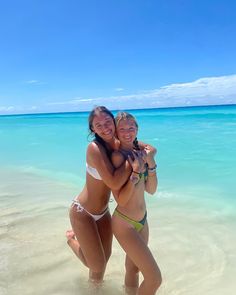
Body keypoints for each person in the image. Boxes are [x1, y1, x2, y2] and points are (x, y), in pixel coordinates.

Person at [66, 106, 132, 283]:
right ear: (92, 129)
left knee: (104, 259)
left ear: (114, 122)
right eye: (98, 125)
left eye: (107, 122)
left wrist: (147, 153)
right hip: (83, 213)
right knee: (97, 266)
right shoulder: (94, 148)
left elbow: (146, 147)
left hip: (103, 212)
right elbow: (114, 182)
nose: (105, 127)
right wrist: (130, 159)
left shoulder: (120, 144)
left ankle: (95, 289)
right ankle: (71, 240)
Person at [111, 112, 162, 295]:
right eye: (122, 129)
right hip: (124, 222)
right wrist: (135, 173)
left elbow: (151, 190)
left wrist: (151, 162)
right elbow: (121, 199)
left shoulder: (140, 153)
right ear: (116, 132)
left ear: (137, 129)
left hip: (142, 220)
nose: (127, 132)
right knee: (155, 278)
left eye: (131, 127)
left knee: (133, 269)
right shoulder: (118, 157)